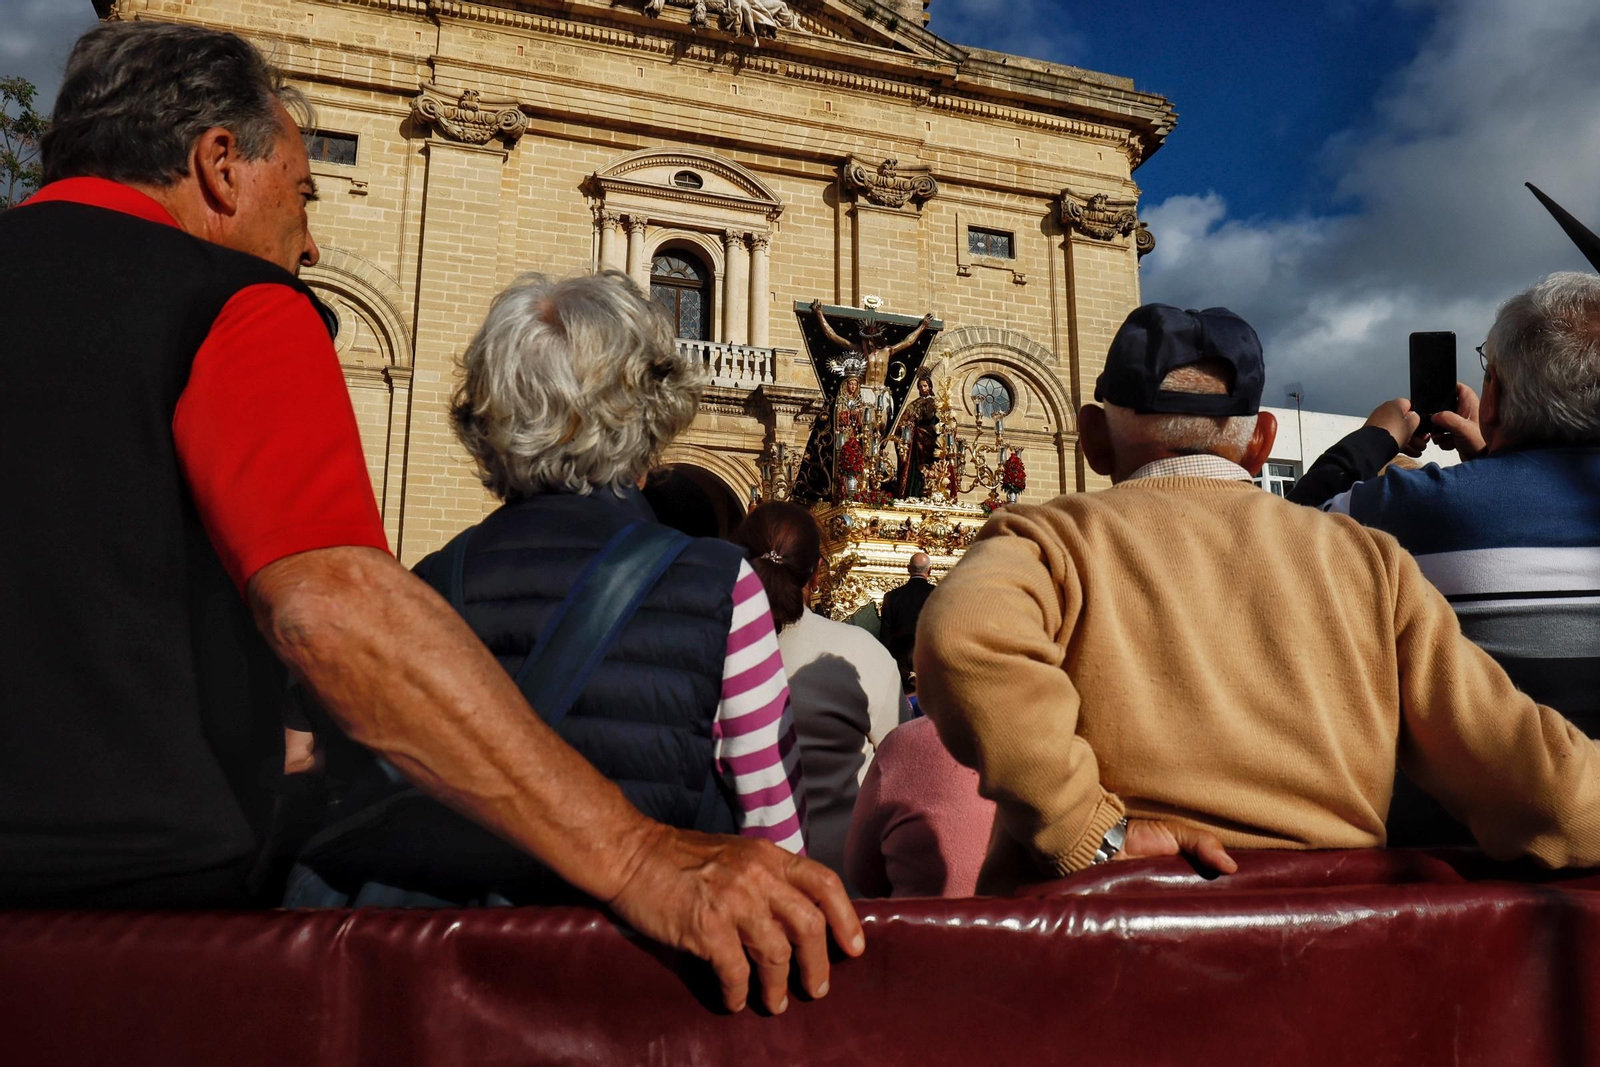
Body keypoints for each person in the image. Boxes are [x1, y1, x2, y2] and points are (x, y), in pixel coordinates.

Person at [0, 21, 859, 1014]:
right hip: (125, 927)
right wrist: (636, 855)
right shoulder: (234, 304)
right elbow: (331, 609)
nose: (310, 242)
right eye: (304, 190)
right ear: (219, 165)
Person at [915, 302, 1600, 893]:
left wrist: (1090, 833)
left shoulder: (1047, 538)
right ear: (1261, 441)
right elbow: (1541, 785)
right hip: (1326, 949)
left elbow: (964, 637)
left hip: (1106, 948)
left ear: (1093, 438)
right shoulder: (1365, 560)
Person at [290, 272, 808, 904]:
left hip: (448, 948)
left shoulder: (421, 584)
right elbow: (776, 834)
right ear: (648, 410)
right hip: (631, 947)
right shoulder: (721, 586)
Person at [1287, 272, 1600, 844]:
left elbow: (1282, 535)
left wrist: (1376, 439)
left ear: (1495, 397)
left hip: (1446, 851)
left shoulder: (1402, 508)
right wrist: (1490, 454)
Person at [731, 503, 911, 890]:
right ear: (815, 574)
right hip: (841, 884)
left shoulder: (709, 647)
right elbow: (902, 763)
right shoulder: (860, 652)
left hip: (738, 880)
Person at [844, 716, 996, 897]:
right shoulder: (1025, 740)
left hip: (915, 913)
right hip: (1017, 912)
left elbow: (861, 873)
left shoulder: (902, 744)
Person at [878, 551, 936, 680]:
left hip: (900, 662)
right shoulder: (939, 594)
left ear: (908, 569)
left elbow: (885, 635)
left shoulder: (891, 597)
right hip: (929, 659)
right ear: (930, 570)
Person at [893, 368, 940, 499]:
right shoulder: (913, 405)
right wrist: (907, 428)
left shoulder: (937, 403)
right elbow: (901, 426)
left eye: (925, 386)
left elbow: (943, 422)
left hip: (933, 442)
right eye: (920, 386)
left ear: (930, 387)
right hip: (916, 445)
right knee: (915, 469)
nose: (922, 388)